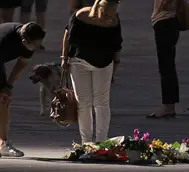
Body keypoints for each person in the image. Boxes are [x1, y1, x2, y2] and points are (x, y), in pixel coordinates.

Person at [61, 0, 122, 144]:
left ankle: (101, 141)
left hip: (104, 63)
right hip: (79, 62)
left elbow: (117, 46)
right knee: (83, 102)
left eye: (112, 15)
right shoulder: (81, 15)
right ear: (99, 9)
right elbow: (67, 35)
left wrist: (116, 67)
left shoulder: (114, 20)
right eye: (106, 14)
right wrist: (64, 57)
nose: (109, 18)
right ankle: (86, 141)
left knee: (102, 103)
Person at [0, 22, 46, 157]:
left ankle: (3, 144)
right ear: (24, 40)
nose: (35, 48)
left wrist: (8, 86)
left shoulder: (30, 40)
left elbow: (22, 63)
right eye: (34, 44)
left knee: (4, 99)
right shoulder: (4, 40)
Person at [147, 0, 180, 119]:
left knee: (166, 67)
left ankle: (168, 107)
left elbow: (166, 4)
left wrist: (162, 6)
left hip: (165, 22)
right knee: (168, 66)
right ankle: (170, 106)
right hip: (169, 22)